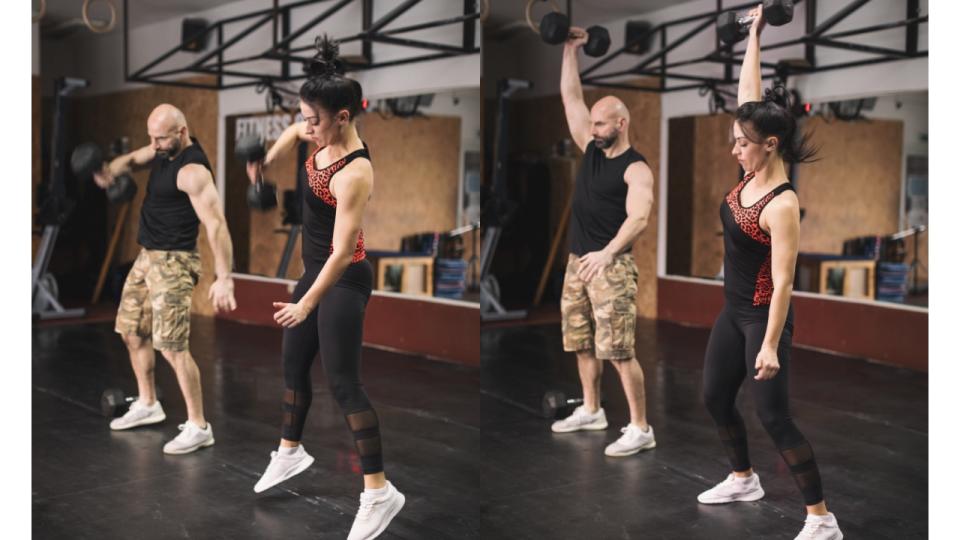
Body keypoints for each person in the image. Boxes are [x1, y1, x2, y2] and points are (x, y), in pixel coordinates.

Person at [246, 37, 404, 540]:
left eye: (314, 119)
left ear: (341, 116)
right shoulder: (316, 130)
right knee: (293, 364)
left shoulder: (354, 172)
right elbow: (292, 132)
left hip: (342, 280)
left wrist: (306, 302)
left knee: (343, 384)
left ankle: (380, 493)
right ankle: (290, 453)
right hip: (313, 276)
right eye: (304, 116)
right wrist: (265, 162)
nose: (305, 125)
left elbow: (340, 253)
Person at [696, 5, 843, 539]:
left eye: (742, 142)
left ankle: (822, 520)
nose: (735, 147)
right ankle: (743, 479)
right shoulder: (751, 160)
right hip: (731, 311)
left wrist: (769, 346)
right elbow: (749, 92)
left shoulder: (781, 204)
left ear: (770, 145)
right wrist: (754, 34)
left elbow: (783, 283)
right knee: (713, 397)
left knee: (775, 419)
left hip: (763, 317)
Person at [94, 104, 237, 455]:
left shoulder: (193, 171)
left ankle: (199, 426)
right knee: (131, 330)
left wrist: (225, 277)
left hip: (175, 261)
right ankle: (147, 403)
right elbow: (132, 159)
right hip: (148, 256)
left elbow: (217, 225)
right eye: (152, 137)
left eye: (161, 138)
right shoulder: (162, 148)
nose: (154, 144)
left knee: (172, 347)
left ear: (182, 133)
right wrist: (111, 170)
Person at [549, 26, 657, 458]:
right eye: (591, 123)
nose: (591, 129)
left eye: (600, 124)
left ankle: (640, 427)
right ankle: (592, 410)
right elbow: (571, 99)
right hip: (579, 263)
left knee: (618, 350)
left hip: (611, 267)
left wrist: (608, 252)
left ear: (621, 124)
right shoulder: (591, 150)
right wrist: (570, 51)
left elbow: (640, 217)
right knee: (581, 341)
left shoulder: (636, 169)